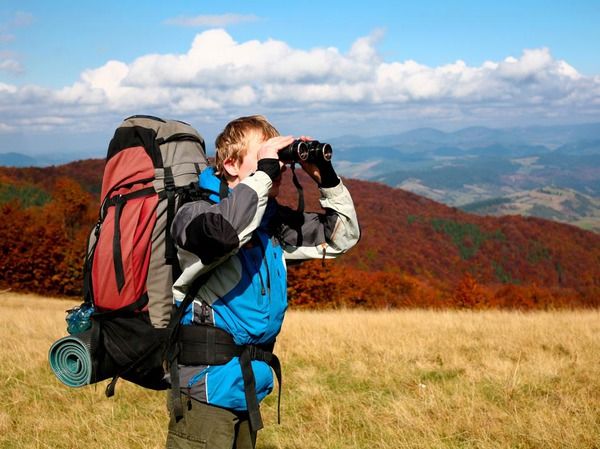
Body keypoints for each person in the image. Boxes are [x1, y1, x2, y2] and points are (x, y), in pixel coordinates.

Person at [166, 115, 360, 449]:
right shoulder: (194, 213)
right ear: (230, 164)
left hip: (247, 384)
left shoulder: (270, 223)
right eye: (265, 156)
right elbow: (224, 234)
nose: (279, 168)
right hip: (205, 389)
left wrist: (325, 178)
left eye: (280, 161)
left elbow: (341, 238)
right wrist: (264, 175)